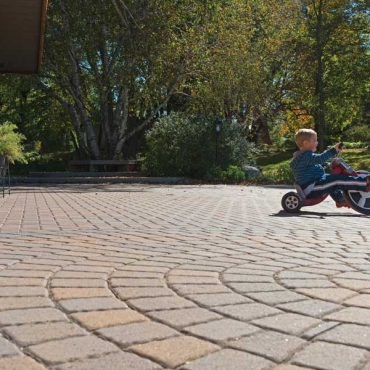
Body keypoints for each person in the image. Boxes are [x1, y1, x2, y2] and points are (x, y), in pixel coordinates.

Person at [290, 128, 370, 207]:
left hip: (312, 185)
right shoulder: (306, 155)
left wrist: (323, 165)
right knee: (337, 180)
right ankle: (364, 183)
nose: (317, 143)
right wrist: (333, 150)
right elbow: (319, 158)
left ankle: (340, 199)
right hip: (312, 188)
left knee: (330, 178)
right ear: (306, 143)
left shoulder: (300, 157)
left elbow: (309, 168)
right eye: (315, 140)